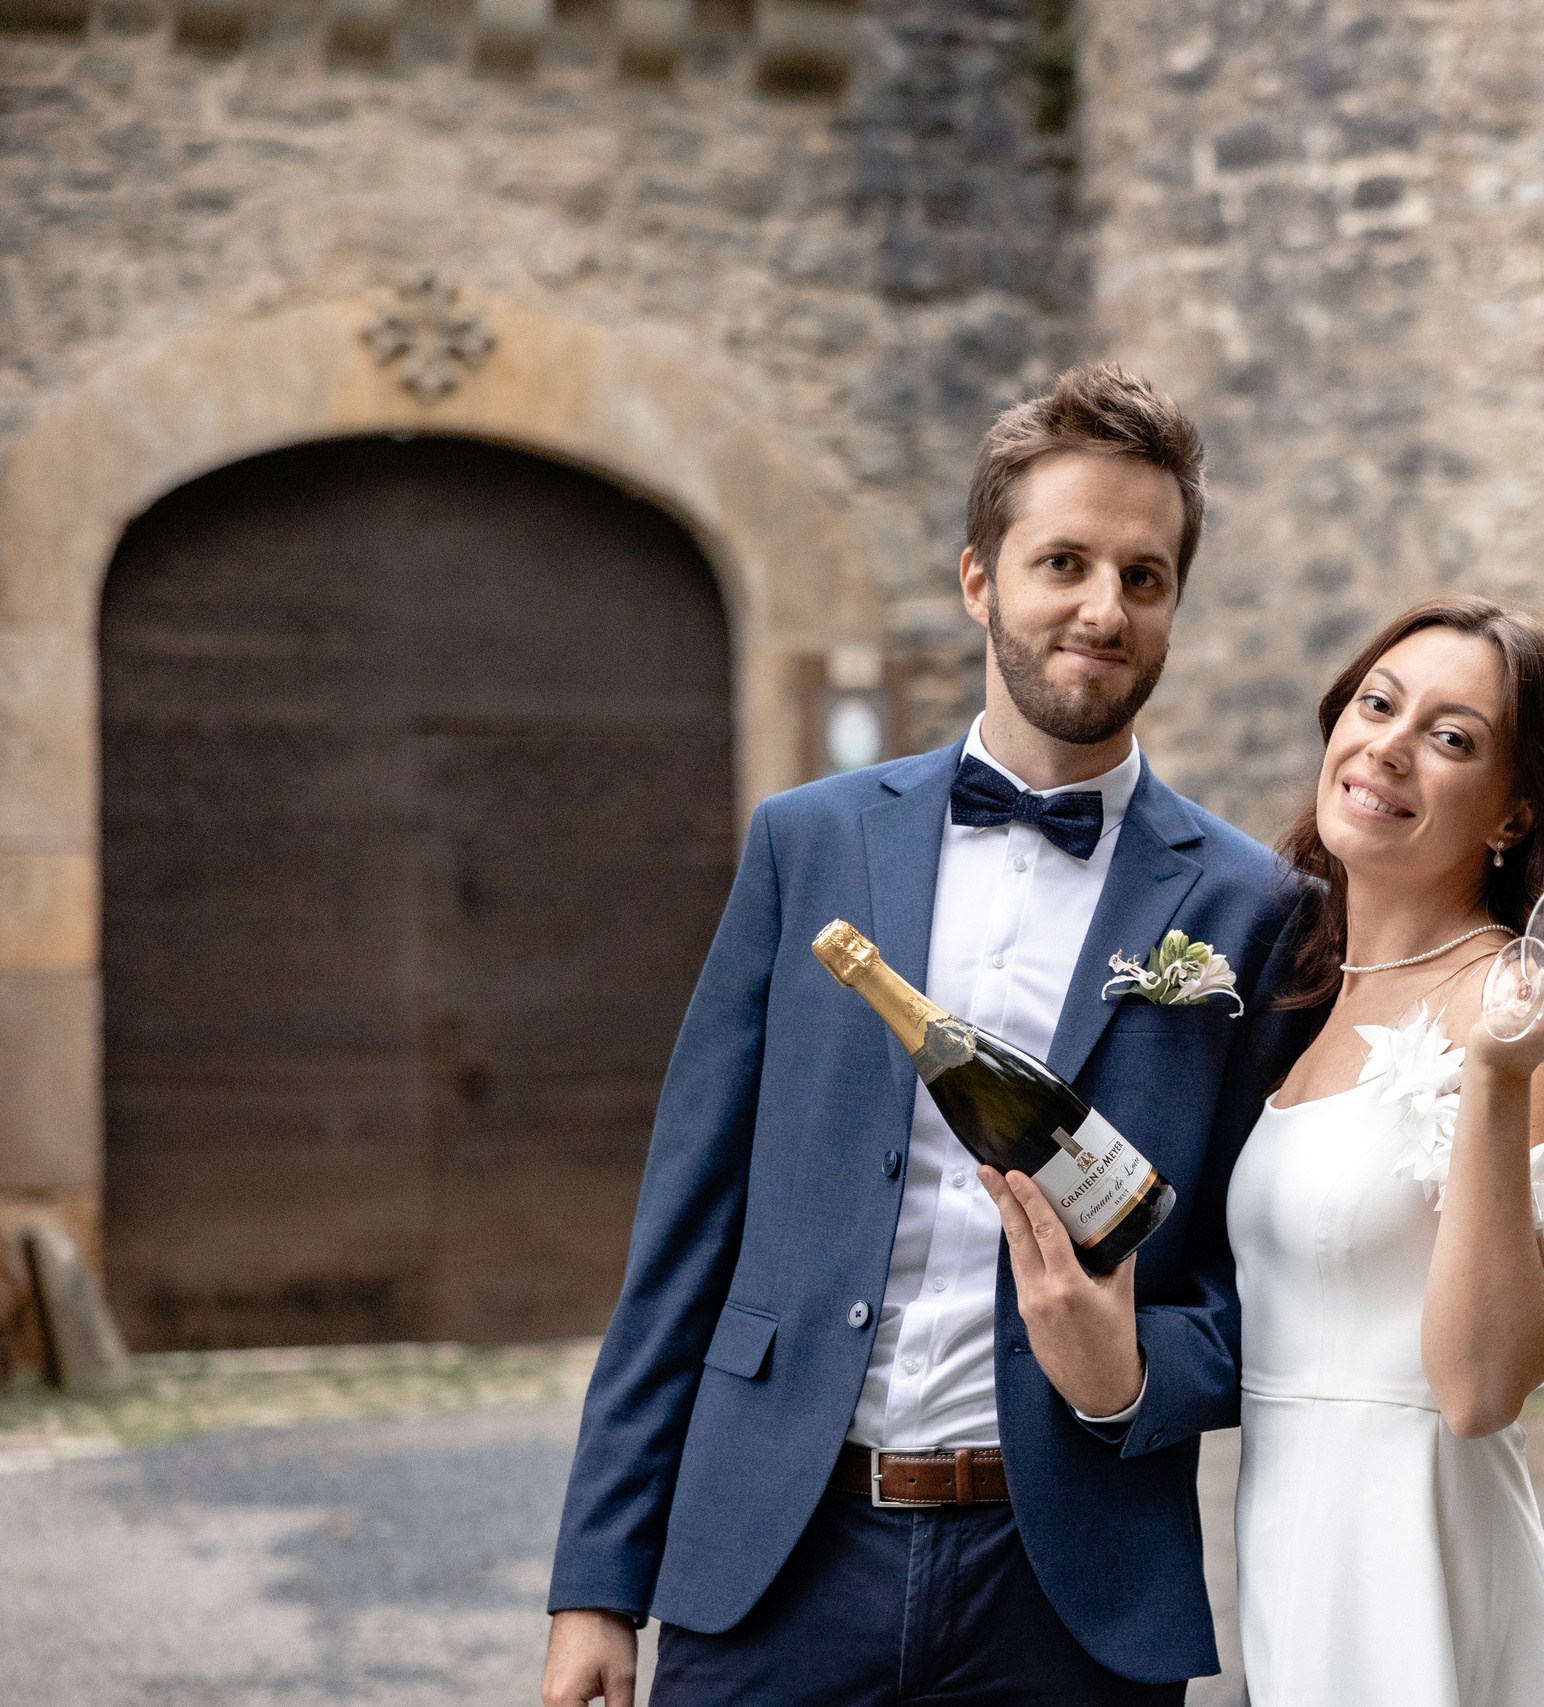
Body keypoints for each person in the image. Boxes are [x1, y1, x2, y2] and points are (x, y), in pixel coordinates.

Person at [540, 364, 1300, 1707]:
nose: (1101, 607)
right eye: (1061, 560)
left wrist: (1134, 1372)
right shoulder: (808, 842)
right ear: (977, 580)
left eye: (1145, 573)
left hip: (1066, 1585)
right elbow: (685, 1228)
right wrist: (599, 1575)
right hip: (776, 1558)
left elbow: (1275, 1279)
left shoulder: (1249, 904)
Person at [1228, 596, 1544, 1707]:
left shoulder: (1519, 1011)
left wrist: (1493, 1074)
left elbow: (1483, 1386)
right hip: (1291, 1545)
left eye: (1451, 738)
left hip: (1416, 1551)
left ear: (1510, 815)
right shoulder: (1303, 990)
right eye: (1378, 704)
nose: (1389, 743)